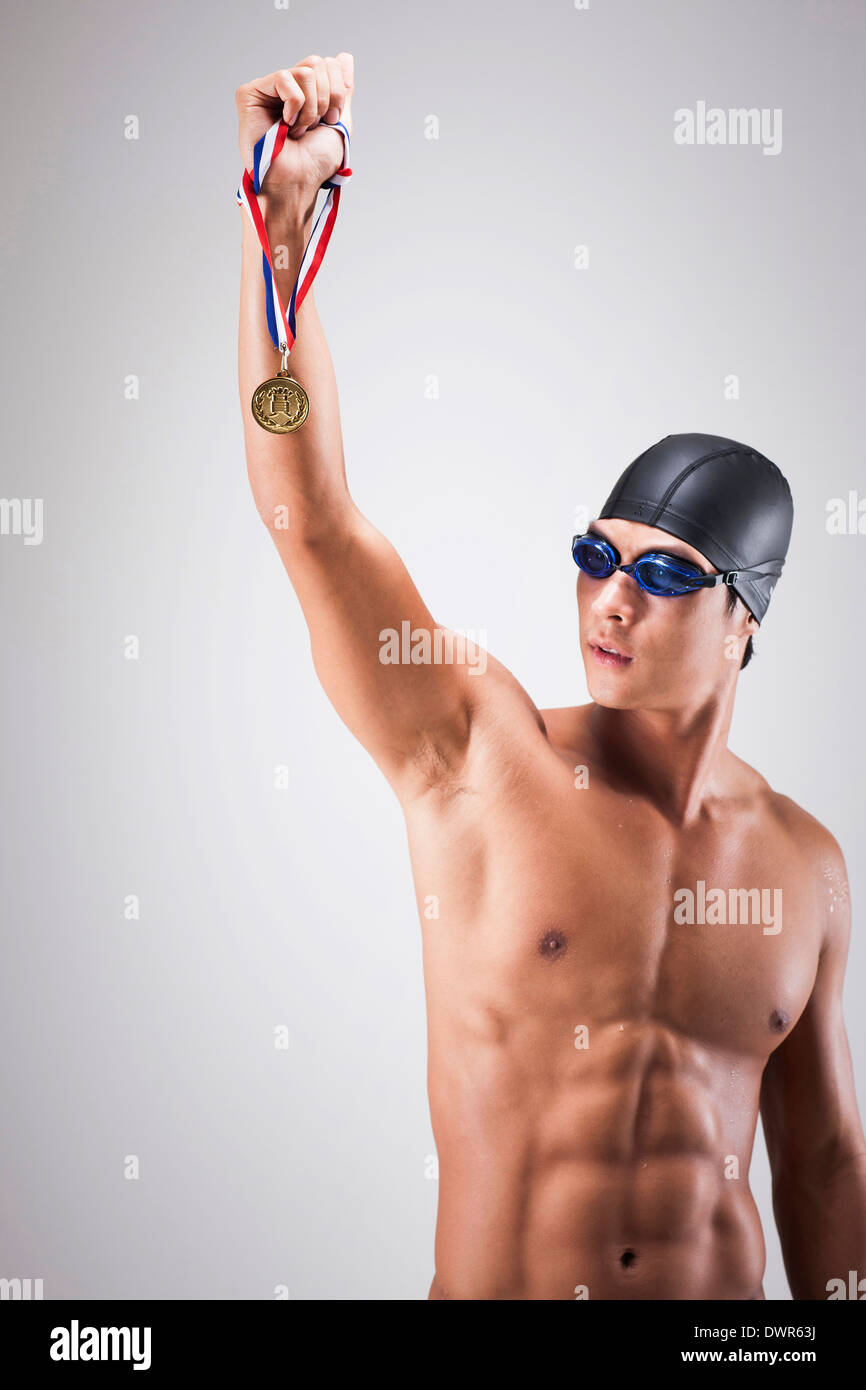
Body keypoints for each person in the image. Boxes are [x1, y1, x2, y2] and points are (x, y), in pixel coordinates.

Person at [234, 54, 866, 1299]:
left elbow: (825, 1159)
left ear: (745, 623)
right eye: (594, 556)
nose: (610, 597)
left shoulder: (806, 866)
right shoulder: (476, 750)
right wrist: (281, 231)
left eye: (667, 575)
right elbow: (309, 517)